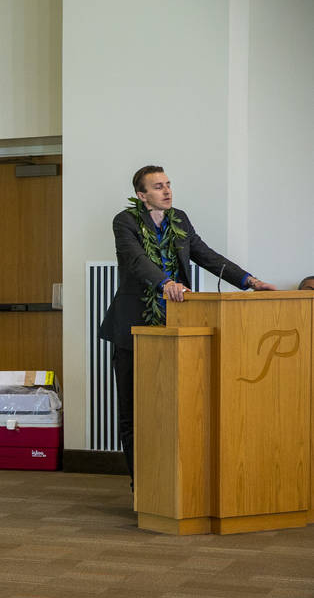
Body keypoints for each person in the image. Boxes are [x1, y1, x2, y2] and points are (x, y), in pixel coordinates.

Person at [98, 165, 277, 486]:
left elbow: (205, 254)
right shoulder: (124, 221)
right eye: (157, 186)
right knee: (133, 411)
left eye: (168, 184)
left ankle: (173, 482)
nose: (166, 191)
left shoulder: (178, 218)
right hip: (132, 326)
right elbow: (137, 260)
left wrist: (249, 281)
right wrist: (165, 282)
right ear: (142, 195)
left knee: (174, 407)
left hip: (177, 324)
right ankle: (142, 485)